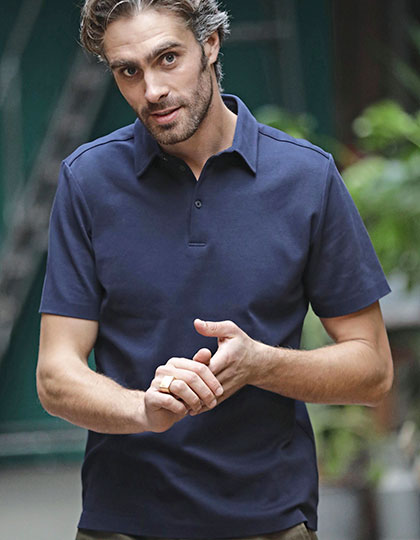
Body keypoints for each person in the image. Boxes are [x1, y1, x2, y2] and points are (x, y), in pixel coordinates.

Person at [36, 1, 393, 539]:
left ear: (210, 44)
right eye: (128, 71)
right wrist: (143, 410)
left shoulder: (306, 177)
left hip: (272, 522)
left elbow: (373, 371)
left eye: (168, 58)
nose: (152, 90)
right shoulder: (87, 180)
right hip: (123, 523)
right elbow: (54, 374)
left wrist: (259, 364)